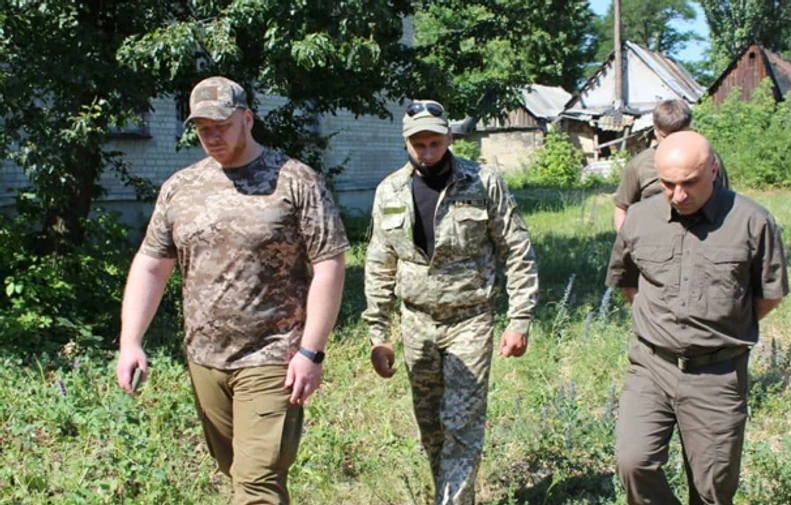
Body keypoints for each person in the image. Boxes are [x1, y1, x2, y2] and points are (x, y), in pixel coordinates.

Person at [114, 76, 349, 505]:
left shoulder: (295, 182)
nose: (212, 135)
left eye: (221, 124)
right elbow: (152, 265)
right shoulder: (180, 188)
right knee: (236, 471)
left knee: (257, 485)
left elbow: (329, 264)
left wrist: (311, 351)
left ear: (246, 118)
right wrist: (130, 340)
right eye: (203, 128)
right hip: (205, 357)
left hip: (273, 356)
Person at [363, 99, 539, 505]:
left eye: (435, 143)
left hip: (469, 320)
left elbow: (517, 249)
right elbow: (379, 262)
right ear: (406, 142)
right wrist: (378, 332)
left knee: (462, 423)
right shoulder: (389, 190)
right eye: (418, 144)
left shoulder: (482, 183)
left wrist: (520, 317)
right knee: (431, 427)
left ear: (449, 138)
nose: (427, 152)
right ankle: (450, 492)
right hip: (416, 323)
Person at [606, 131, 789, 505]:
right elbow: (628, 283)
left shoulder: (753, 221)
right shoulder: (640, 219)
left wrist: (716, 327)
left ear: (714, 170)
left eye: (689, 182)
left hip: (717, 374)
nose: (678, 195)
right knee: (633, 462)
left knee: (713, 488)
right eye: (668, 184)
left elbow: (768, 294)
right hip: (651, 366)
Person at [613, 99, 730, 232]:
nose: (673, 142)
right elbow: (622, 207)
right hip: (655, 240)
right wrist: (626, 244)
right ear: (656, 130)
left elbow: (725, 201)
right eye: (666, 137)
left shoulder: (707, 159)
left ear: (689, 128)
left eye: (680, 135)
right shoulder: (639, 165)